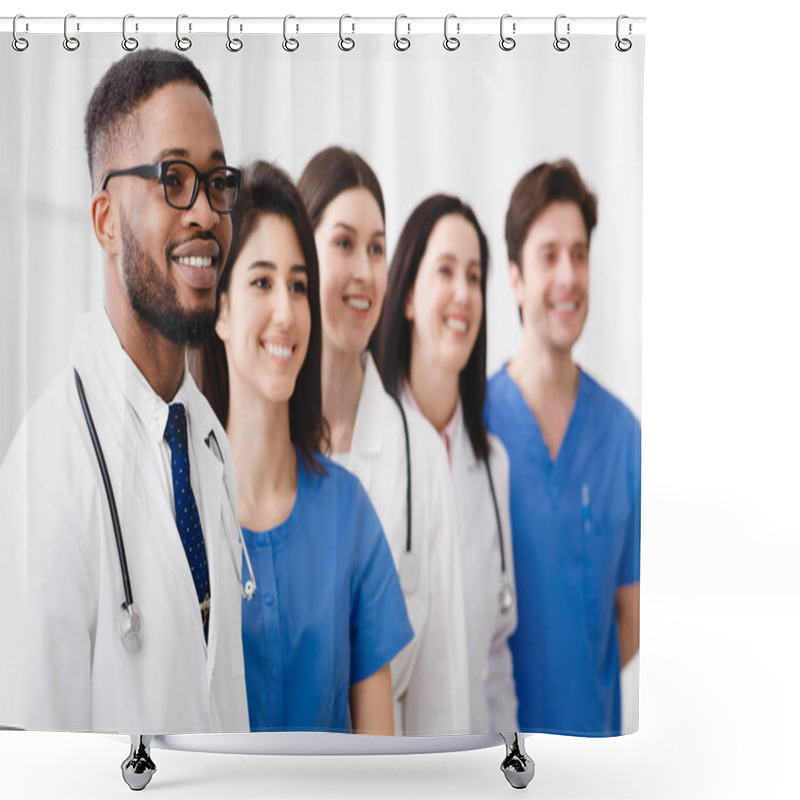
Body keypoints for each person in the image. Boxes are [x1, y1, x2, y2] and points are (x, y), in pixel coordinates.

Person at [0, 49, 249, 733]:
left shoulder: (207, 442)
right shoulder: (44, 473)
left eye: (217, 180)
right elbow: (30, 771)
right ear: (106, 220)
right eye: (173, 178)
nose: (205, 211)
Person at [199, 160, 413, 734]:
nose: (287, 313)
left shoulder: (350, 513)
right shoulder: (181, 512)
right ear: (219, 309)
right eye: (262, 282)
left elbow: (379, 760)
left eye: (298, 285)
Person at [297, 147, 470, 735]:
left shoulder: (421, 456)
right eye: (344, 244)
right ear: (302, 255)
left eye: (377, 248)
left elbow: (442, 698)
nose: (367, 272)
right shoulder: (252, 447)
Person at [484, 159, 641, 736]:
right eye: (549, 255)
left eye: (579, 254)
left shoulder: (622, 435)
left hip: (593, 761)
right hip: (492, 759)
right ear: (516, 277)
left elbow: (632, 619)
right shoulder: (473, 425)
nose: (568, 276)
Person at [376, 195, 519, 733]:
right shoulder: (373, 450)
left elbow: (498, 654)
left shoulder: (494, 465)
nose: (464, 293)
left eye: (475, 276)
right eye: (446, 271)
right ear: (408, 295)